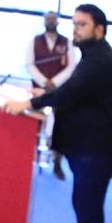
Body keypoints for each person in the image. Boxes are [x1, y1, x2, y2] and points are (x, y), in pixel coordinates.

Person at [3, 3, 112, 223]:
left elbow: (70, 92)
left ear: (99, 29)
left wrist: (29, 103)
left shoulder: (100, 60)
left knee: (89, 211)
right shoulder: (92, 56)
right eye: (74, 24)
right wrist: (44, 93)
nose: (75, 30)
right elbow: (77, 92)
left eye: (82, 24)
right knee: (83, 206)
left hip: (97, 150)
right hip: (87, 148)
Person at [26, 11, 75, 180]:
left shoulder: (67, 42)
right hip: (38, 88)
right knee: (34, 124)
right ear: (44, 22)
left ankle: (57, 163)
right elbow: (30, 65)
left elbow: (71, 67)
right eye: (48, 19)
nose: (51, 22)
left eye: (53, 19)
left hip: (60, 90)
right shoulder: (35, 41)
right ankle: (31, 157)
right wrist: (43, 81)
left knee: (60, 127)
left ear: (58, 22)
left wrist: (54, 82)